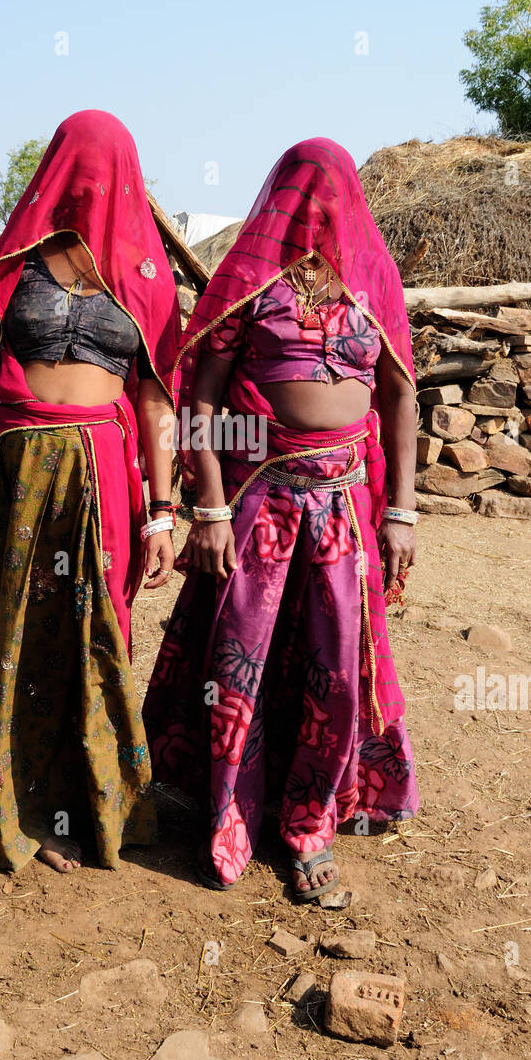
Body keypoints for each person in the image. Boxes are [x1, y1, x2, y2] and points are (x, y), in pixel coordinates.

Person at [0, 110, 180, 910]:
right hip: (7, 474)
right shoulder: (12, 270)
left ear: (128, 175)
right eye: (76, 162)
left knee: (81, 639)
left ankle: (59, 810)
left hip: (100, 483)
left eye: (106, 164)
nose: (91, 180)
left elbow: (157, 404)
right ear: (57, 168)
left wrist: (162, 511)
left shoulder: (148, 277)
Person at [142, 138, 419, 901]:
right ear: (279, 196)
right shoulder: (248, 284)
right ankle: (228, 812)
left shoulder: (372, 283)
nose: (315, 205)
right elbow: (199, 401)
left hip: (346, 507)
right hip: (258, 499)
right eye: (302, 190)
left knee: (334, 666)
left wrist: (401, 510)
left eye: (329, 192)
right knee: (240, 661)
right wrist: (206, 509)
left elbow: (399, 396)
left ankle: (309, 823)